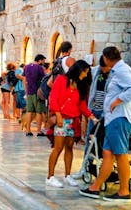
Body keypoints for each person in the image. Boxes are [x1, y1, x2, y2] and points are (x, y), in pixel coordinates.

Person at [80, 47, 131, 203]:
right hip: (113, 119)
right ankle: (95, 187)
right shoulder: (117, 70)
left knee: (120, 155)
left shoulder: (121, 70)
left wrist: (117, 100)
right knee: (107, 154)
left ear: (106, 58)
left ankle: (124, 192)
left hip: (120, 118)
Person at [46, 60, 96, 188]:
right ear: (78, 70)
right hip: (61, 120)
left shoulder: (80, 85)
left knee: (69, 148)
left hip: (73, 121)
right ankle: (50, 177)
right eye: (85, 72)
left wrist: (90, 116)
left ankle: (67, 176)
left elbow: (81, 104)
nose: (85, 75)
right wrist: (57, 114)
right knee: (58, 148)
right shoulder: (61, 80)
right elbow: (53, 97)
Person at [22, 55, 47, 136]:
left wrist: (26, 91)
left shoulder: (27, 67)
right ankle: (39, 131)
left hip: (29, 92)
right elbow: (44, 79)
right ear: (39, 60)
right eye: (43, 61)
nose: (43, 63)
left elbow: (24, 79)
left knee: (29, 111)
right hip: (37, 92)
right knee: (39, 112)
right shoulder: (39, 68)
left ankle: (28, 130)